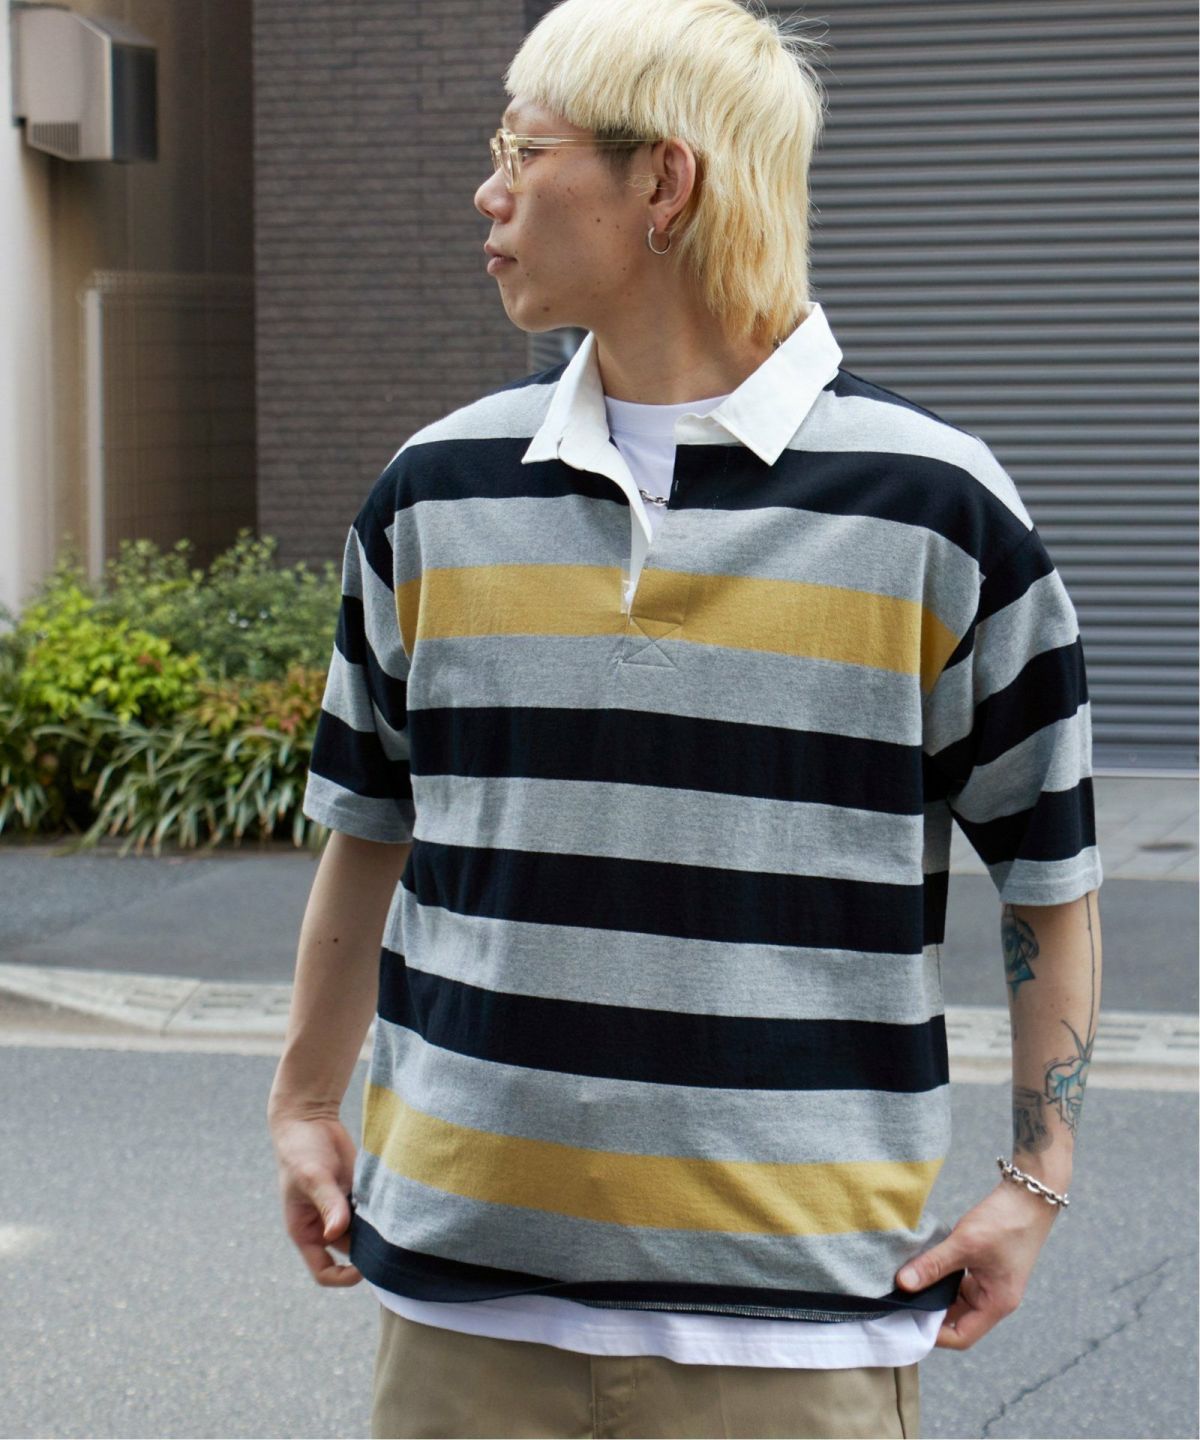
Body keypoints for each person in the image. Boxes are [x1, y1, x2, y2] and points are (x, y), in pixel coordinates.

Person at [267, 1, 1105, 1435]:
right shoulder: (434, 491)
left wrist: (1038, 1181)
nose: (488, 192)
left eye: (522, 149)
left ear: (665, 182)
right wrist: (301, 1102)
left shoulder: (936, 509)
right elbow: (369, 827)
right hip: (460, 1310)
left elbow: (1050, 877)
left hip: (797, 1339)